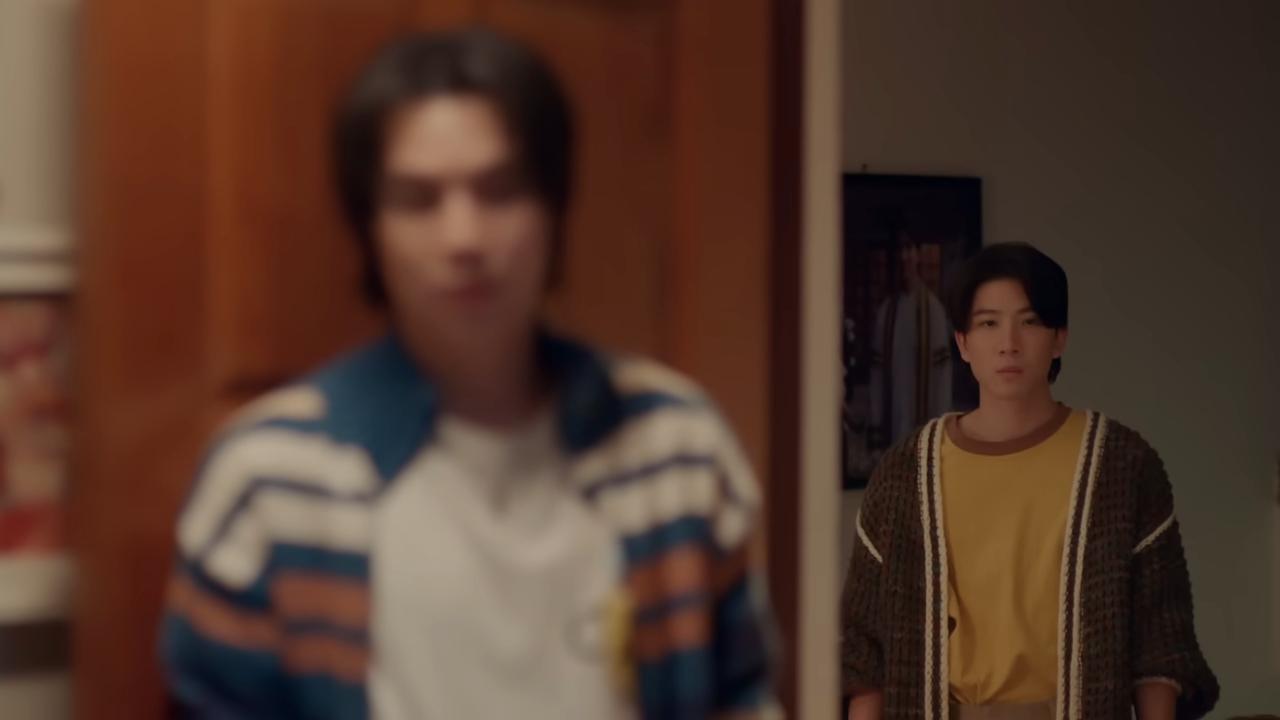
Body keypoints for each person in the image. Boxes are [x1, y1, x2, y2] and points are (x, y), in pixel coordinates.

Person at [159, 28, 777, 720]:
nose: (465, 238)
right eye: (418, 199)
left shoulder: (673, 448)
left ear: (553, 207)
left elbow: (743, 700)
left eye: (501, 190)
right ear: (370, 227)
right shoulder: (269, 478)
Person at [841, 243, 1218, 720]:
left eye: (1030, 321)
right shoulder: (905, 472)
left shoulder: (1122, 464)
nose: (1009, 343)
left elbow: (1160, 642)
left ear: (1059, 338)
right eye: (988, 323)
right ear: (962, 342)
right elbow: (865, 653)